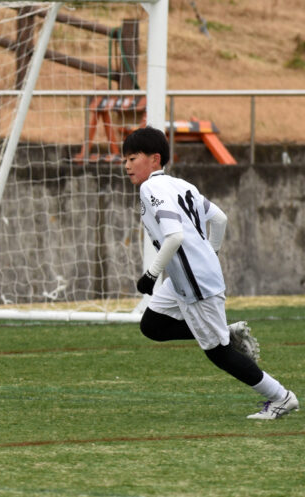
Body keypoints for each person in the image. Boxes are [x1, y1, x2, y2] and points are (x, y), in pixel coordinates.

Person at [123, 126, 298, 420]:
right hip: (186, 278)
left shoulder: (150, 188)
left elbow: (175, 236)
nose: (126, 165)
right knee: (152, 325)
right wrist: (210, 255)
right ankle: (224, 332)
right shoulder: (181, 185)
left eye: (132, 158)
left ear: (155, 159)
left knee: (219, 353)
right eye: (125, 159)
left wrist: (151, 275)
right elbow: (219, 218)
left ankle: (281, 397)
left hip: (195, 282)